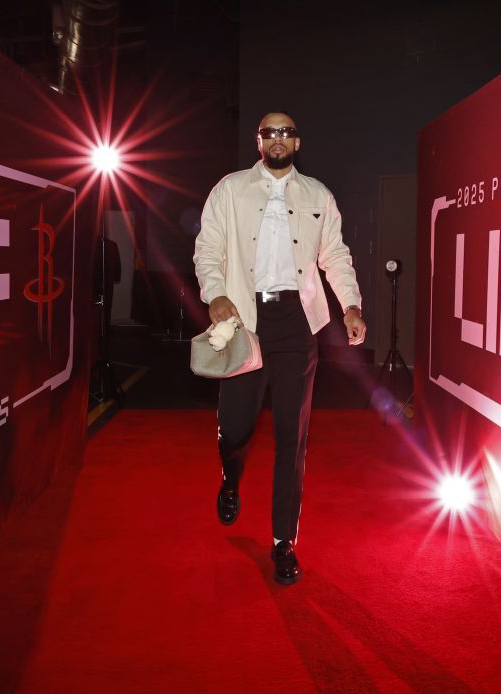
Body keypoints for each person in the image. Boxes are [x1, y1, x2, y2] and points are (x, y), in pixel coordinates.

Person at [193, 111, 367, 585]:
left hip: (296, 322)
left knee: (293, 436)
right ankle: (231, 475)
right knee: (236, 426)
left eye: (286, 132)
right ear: (258, 140)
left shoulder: (317, 195)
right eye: (269, 131)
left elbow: (335, 256)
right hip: (245, 320)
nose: (278, 138)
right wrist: (216, 293)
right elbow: (208, 249)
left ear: (297, 142)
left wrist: (349, 304)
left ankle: (283, 542)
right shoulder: (228, 189)